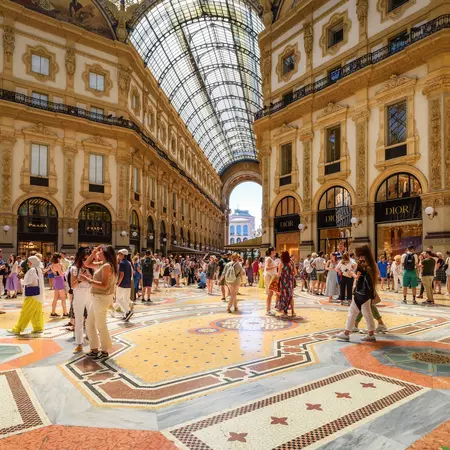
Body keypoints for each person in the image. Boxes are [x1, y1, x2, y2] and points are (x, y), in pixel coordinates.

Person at [81, 245, 117, 360]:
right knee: (89, 323)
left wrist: (89, 280)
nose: (98, 254)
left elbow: (104, 285)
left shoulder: (107, 266)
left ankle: (105, 350)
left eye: (100, 252)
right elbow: (86, 264)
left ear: (105, 254)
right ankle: (94, 348)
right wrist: (94, 251)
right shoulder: (102, 264)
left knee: (101, 325)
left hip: (102, 298)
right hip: (96, 297)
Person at [336, 245, 377, 342]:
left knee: (353, 311)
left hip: (360, 292)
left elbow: (357, 277)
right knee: (367, 313)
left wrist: (351, 273)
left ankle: (346, 333)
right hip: (367, 292)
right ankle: (371, 334)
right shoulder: (371, 263)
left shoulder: (361, 264)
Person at [9, 255, 44, 335]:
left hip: (31, 295)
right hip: (38, 295)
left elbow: (27, 281)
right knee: (36, 313)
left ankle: (18, 328)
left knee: (25, 312)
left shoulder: (32, 270)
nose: (27, 263)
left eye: (29, 262)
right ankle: (38, 327)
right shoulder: (39, 269)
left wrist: (21, 279)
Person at [70, 247, 93, 353]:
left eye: (88, 259)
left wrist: (90, 279)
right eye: (84, 259)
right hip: (78, 295)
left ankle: (93, 340)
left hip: (90, 294)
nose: (86, 262)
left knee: (91, 318)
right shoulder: (74, 269)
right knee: (79, 320)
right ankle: (79, 343)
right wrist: (80, 279)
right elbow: (73, 285)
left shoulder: (91, 269)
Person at [275, 251, 296, 317]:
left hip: (284, 282)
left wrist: (276, 280)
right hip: (290, 282)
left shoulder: (281, 263)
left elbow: (278, 274)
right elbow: (295, 273)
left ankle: (285, 312)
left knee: (284, 296)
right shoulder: (292, 263)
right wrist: (290, 276)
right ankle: (293, 311)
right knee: (290, 296)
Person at [116, 249, 133, 322]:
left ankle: (127, 311)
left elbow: (122, 275)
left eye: (119, 254)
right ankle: (126, 314)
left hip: (122, 284)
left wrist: (118, 283)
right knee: (126, 300)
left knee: (118, 300)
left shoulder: (122, 263)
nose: (118, 255)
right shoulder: (129, 263)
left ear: (123, 255)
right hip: (128, 283)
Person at [50, 253, 68, 317]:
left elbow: (56, 273)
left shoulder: (52, 265)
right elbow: (61, 274)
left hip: (56, 281)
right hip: (60, 281)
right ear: (58, 258)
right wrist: (66, 272)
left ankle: (53, 312)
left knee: (55, 298)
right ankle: (65, 313)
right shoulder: (58, 265)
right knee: (63, 298)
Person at [264, 247, 278, 315]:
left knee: (271, 294)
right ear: (271, 251)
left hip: (271, 277)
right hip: (269, 277)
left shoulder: (271, 259)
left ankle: (269, 309)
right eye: (274, 250)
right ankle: (268, 310)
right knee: (270, 294)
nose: (275, 251)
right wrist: (276, 267)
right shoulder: (269, 259)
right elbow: (267, 268)